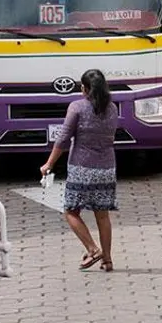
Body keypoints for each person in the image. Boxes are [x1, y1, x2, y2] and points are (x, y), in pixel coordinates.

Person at [40, 69, 119, 272]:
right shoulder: (112, 108)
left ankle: (93, 249)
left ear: (83, 88)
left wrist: (49, 163)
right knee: (102, 215)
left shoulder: (77, 107)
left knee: (71, 211)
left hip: (82, 168)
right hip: (107, 168)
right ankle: (108, 260)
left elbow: (63, 138)